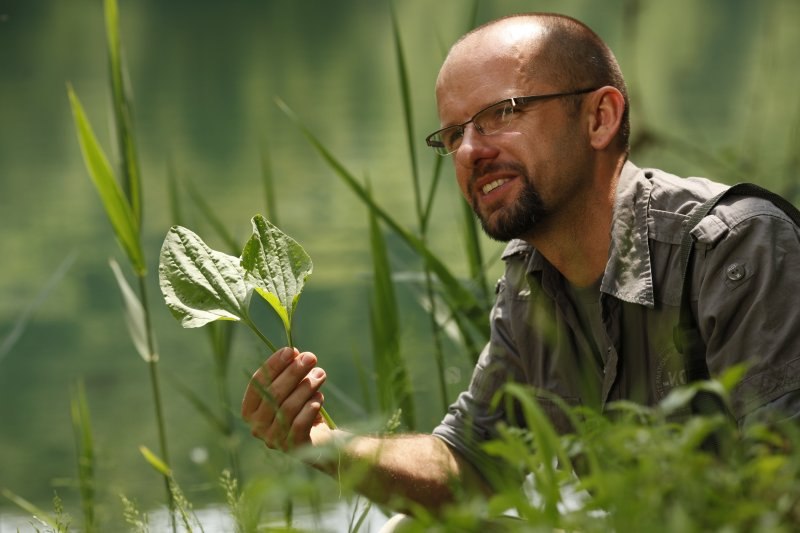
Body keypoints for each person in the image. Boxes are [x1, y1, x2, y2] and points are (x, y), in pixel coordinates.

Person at [241, 12, 800, 516]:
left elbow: (785, 495)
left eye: (501, 113)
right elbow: (471, 465)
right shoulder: (532, 279)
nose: (468, 152)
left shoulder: (735, 245)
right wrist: (322, 444)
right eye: (454, 134)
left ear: (600, 117)